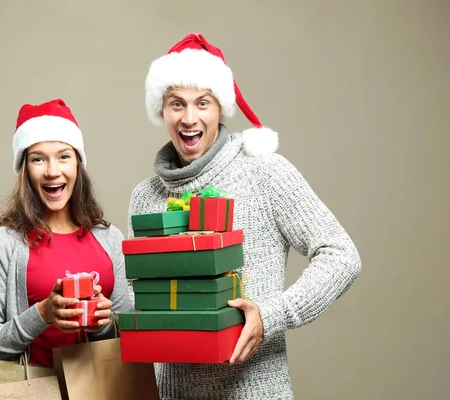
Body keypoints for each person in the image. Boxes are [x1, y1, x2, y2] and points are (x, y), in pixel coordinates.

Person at [128, 33, 362, 399]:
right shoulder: (145, 197)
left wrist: (271, 316)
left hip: (256, 391)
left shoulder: (264, 172)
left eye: (202, 103)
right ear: (162, 110)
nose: (189, 118)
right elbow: (143, 295)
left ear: (220, 107)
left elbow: (342, 255)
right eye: (177, 104)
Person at [0, 99, 130, 368]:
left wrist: (103, 322)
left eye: (64, 156)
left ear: (78, 163)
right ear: (25, 170)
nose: (53, 171)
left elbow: (128, 335)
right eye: (38, 159)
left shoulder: (110, 238)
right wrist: (42, 314)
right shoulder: (2, 245)